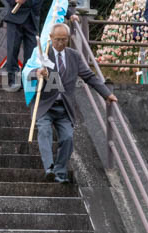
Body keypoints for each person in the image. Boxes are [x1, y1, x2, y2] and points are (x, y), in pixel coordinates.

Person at [30, 23, 117, 183]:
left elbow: (89, 76)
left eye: (64, 40)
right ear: (51, 38)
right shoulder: (42, 53)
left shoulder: (74, 56)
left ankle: (60, 172)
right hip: (45, 104)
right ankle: (49, 168)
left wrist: (107, 94)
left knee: (68, 138)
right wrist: (37, 73)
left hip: (65, 107)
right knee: (44, 131)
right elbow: (27, 72)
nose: (61, 43)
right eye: (58, 40)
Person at [2, 0, 36, 91]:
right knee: (13, 49)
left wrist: (69, 14)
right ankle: (12, 80)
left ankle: (26, 80)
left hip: (33, 19)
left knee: (32, 53)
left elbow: (57, 2)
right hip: (15, 17)